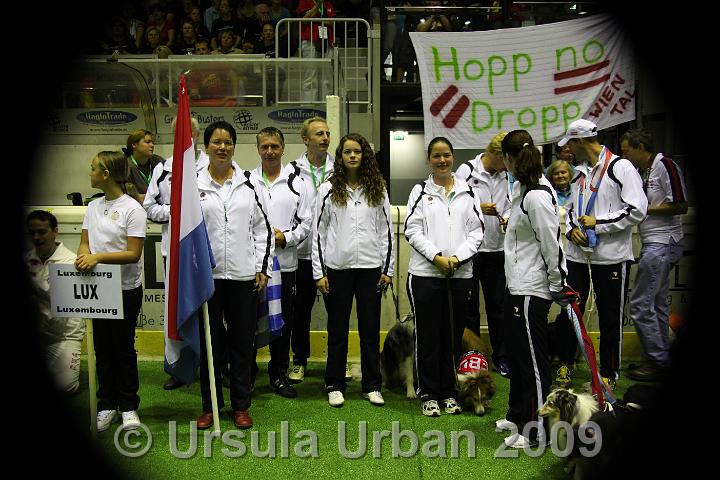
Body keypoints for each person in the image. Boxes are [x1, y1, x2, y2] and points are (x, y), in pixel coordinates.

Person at [494, 130, 573, 449]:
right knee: (517, 357)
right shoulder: (523, 189)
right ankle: (517, 416)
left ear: (508, 159)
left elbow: (552, 244)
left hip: (532, 289)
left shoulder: (537, 195)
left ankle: (537, 430)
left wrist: (558, 284)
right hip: (517, 285)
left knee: (534, 364)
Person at [555, 119, 648, 390]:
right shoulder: (579, 173)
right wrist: (572, 229)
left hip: (611, 257)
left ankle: (609, 372)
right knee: (571, 310)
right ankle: (565, 363)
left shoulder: (621, 167)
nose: (568, 151)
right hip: (577, 255)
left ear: (580, 141)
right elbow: (571, 210)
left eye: (570, 144)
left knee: (610, 316)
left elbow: (637, 209)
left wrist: (599, 223)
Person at [194, 120, 273, 430]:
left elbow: (263, 230)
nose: (223, 147)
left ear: (234, 147)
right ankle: (210, 406)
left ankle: (241, 405)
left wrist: (262, 268)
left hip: (243, 278)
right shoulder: (193, 185)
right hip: (207, 279)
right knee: (210, 346)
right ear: (206, 147)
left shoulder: (250, 184)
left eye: (228, 142)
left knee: (242, 345)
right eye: (217, 142)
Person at [403, 136, 485, 417]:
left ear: (453, 157)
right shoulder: (419, 191)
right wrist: (437, 257)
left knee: (452, 337)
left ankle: (449, 391)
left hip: (459, 276)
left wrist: (457, 258)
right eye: (436, 156)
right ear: (428, 159)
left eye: (446, 155)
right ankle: (428, 392)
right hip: (425, 275)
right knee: (428, 337)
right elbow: (412, 229)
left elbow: (477, 232)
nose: (442, 160)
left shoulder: (468, 192)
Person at [313, 133, 395, 407]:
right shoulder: (327, 189)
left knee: (370, 330)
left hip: (371, 269)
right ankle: (334, 384)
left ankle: (372, 385)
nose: (352, 156)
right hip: (338, 270)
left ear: (364, 156)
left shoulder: (378, 189)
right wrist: (319, 273)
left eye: (357, 151)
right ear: (340, 157)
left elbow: (386, 232)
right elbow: (318, 233)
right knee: (337, 330)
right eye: (347, 152)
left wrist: (388, 269)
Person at [76, 151, 147, 432]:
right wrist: (83, 256)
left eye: (94, 168)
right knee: (102, 349)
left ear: (106, 175)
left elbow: (133, 253)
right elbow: (84, 242)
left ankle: (128, 406)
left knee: (123, 349)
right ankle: (106, 404)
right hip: (98, 289)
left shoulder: (132, 209)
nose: (90, 172)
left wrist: (97, 258)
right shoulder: (93, 207)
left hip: (125, 290)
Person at [143, 116, 211, 390]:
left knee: (210, 310)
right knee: (179, 310)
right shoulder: (163, 169)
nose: (185, 136)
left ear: (197, 134)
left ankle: (214, 367)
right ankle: (181, 369)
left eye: (189, 131)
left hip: (206, 252)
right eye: (179, 132)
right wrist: (176, 211)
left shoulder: (211, 166)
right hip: (175, 252)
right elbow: (149, 206)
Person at [250, 126, 313, 398]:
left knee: (283, 323)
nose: (270, 151)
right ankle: (247, 374)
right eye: (265, 146)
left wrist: (284, 237)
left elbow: (306, 223)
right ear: (258, 149)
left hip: (285, 265)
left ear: (283, 148)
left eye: (274, 146)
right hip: (254, 266)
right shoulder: (248, 180)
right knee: (250, 322)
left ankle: (278, 375)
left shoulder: (297, 182)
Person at [621, 129, 688, 382]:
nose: (625, 156)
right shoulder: (645, 171)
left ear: (640, 147)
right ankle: (662, 358)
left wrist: (644, 210)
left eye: (627, 151)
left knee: (640, 305)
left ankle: (657, 362)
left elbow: (680, 205)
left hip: (663, 243)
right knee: (657, 304)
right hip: (656, 243)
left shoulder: (665, 165)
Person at [455, 132, 511, 377]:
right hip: (470, 250)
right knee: (470, 309)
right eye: (504, 159)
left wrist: (507, 217)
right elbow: (455, 204)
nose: (507, 164)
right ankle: (471, 355)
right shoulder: (467, 171)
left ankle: (501, 357)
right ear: (494, 154)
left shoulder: (507, 175)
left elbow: (511, 203)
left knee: (498, 306)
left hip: (497, 249)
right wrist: (479, 207)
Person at [286, 116, 336, 383]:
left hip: (332, 255)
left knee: (336, 312)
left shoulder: (339, 169)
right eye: (319, 134)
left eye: (327, 133)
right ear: (306, 140)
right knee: (300, 312)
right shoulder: (292, 171)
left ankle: (337, 360)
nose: (325, 138)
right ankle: (299, 360)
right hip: (302, 255)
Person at [25, 210, 85, 395]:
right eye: (32, 232)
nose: (37, 237)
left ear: (55, 231)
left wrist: (35, 288)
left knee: (66, 387)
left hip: (64, 335)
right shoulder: (27, 259)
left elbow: (65, 301)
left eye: (42, 232)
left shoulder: (70, 262)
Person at [295, 0, 336, 101]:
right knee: (310, 76)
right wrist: (318, 5)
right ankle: (309, 106)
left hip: (326, 41)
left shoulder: (328, 3)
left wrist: (315, 19)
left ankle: (326, 106)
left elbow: (332, 22)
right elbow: (305, 19)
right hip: (310, 41)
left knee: (326, 77)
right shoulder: (305, 1)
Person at [123, 129, 164, 204]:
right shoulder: (125, 166)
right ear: (134, 145)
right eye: (147, 142)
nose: (152, 145)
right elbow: (125, 198)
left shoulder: (158, 161)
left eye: (152, 142)